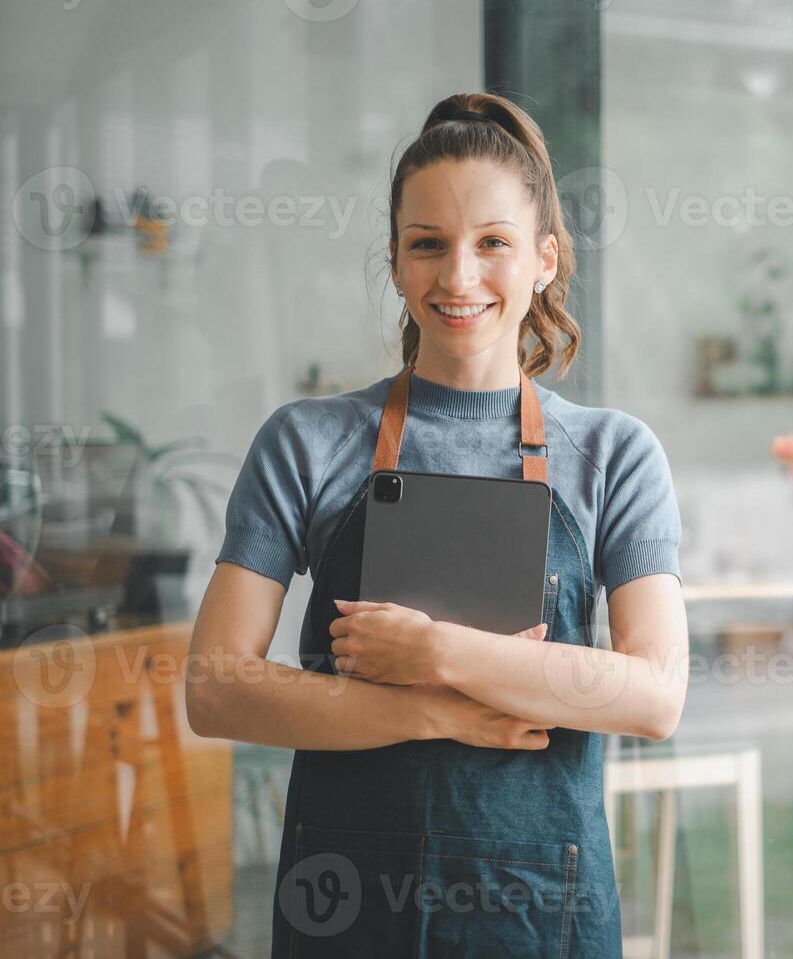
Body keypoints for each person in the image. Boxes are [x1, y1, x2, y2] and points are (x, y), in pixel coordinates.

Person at [185, 91, 689, 956]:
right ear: (394, 262)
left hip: (539, 911)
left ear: (544, 258)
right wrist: (436, 714)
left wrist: (440, 656)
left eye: (493, 243)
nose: (458, 278)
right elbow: (215, 686)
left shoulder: (615, 455)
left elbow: (654, 696)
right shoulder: (305, 442)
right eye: (429, 245)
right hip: (342, 909)